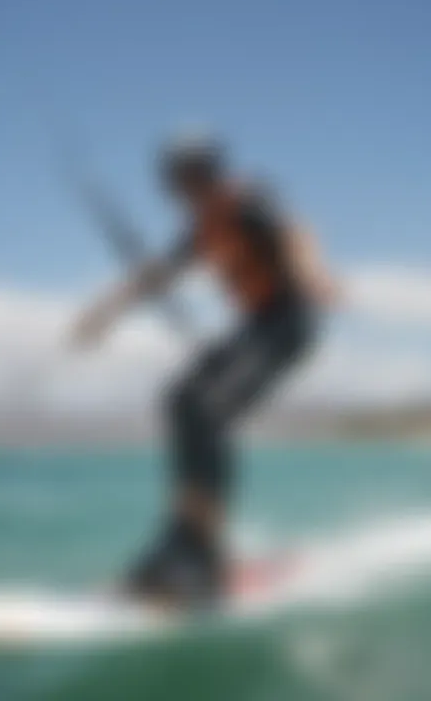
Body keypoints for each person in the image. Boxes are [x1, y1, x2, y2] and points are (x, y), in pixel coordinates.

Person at [70, 135, 338, 605]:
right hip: (257, 325)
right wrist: (104, 312)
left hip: (289, 324)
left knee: (207, 411)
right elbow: (159, 273)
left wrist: (312, 272)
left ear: (207, 173)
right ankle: (183, 538)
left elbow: (294, 232)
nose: (179, 193)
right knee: (179, 400)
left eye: (185, 180)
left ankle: (204, 553)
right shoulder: (203, 227)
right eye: (173, 185)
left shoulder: (247, 205)